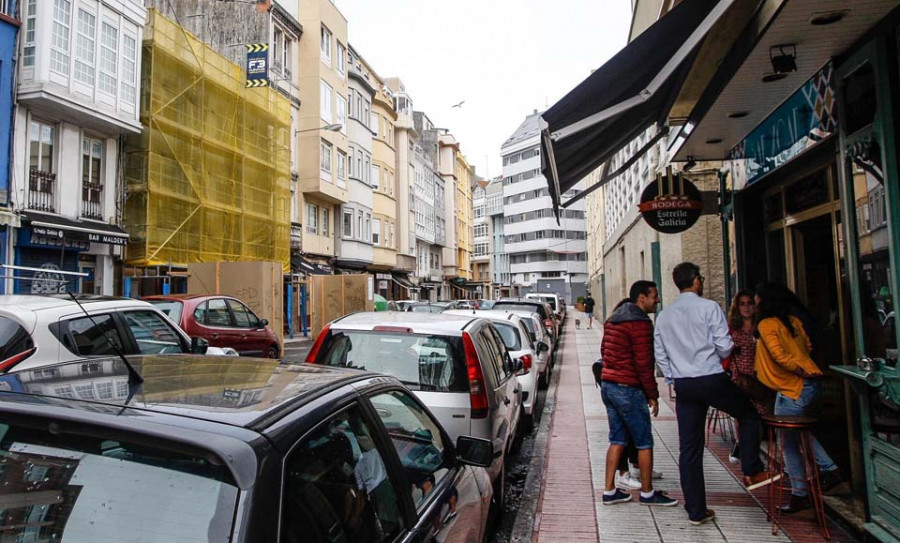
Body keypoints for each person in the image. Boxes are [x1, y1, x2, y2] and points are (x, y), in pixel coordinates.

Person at [654, 263, 776, 526]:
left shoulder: (664, 315)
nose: (702, 281)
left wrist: (674, 375)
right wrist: (715, 357)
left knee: (689, 448)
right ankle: (752, 470)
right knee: (749, 415)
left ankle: (696, 510)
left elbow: (660, 355)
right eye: (701, 277)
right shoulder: (709, 308)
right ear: (696, 280)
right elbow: (724, 345)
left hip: (685, 384)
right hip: (710, 378)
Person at [754, 282, 849, 514]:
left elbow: (779, 356)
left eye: (757, 298)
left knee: (791, 438)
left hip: (793, 386)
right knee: (792, 437)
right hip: (803, 384)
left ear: (765, 300)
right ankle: (806, 489)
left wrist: (799, 371)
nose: (755, 301)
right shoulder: (793, 321)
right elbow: (807, 345)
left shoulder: (767, 324)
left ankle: (823, 475)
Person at [600, 281, 677, 507]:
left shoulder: (614, 319)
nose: (658, 300)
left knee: (617, 439)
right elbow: (644, 364)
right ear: (641, 298)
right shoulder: (640, 323)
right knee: (644, 442)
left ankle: (609, 491)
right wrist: (652, 395)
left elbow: (604, 351)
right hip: (628, 388)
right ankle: (647, 493)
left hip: (609, 384)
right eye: (655, 295)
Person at [726, 290, 773, 464]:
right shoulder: (733, 329)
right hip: (741, 378)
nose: (746, 307)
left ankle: (754, 447)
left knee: (760, 416)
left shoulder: (763, 327)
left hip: (762, 378)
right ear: (737, 307)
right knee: (741, 414)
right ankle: (742, 444)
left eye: (749, 303)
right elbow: (727, 355)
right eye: (742, 304)